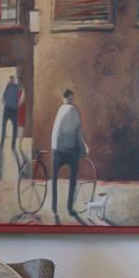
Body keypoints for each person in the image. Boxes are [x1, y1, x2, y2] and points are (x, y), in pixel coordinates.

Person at [49, 87, 86, 222]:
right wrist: (83, 148)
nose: (71, 100)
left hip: (56, 150)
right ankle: (70, 208)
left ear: (62, 98)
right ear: (70, 98)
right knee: (73, 178)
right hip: (70, 151)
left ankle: (53, 208)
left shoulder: (59, 110)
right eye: (71, 98)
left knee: (54, 179)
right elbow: (77, 132)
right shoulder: (73, 110)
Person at [0, 73, 24, 166]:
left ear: (13, 80)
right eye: (10, 80)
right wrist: (4, 101)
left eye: (11, 80)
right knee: (4, 128)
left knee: (14, 129)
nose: (10, 81)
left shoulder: (17, 87)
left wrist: (17, 104)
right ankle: (2, 143)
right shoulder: (8, 86)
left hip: (13, 110)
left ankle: (12, 145)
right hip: (7, 109)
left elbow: (21, 96)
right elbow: (3, 97)